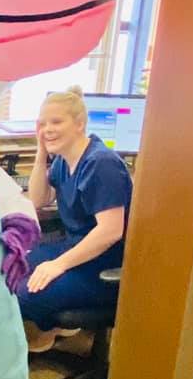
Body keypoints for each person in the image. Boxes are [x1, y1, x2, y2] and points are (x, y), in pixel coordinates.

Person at [18, 86, 133, 352]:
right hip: (77, 249)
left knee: (27, 293)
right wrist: (41, 153)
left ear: (79, 124)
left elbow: (111, 231)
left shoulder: (100, 163)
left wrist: (58, 265)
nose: (48, 129)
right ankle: (52, 326)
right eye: (43, 124)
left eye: (56, 122)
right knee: (12, 265)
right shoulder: (63, 160)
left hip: (105, 263)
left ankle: (50, 329)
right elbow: (38, 199)